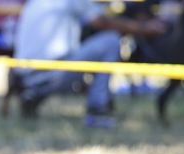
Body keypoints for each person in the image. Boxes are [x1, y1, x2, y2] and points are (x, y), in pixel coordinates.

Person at [12, 0, 166, 127]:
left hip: (23, 75)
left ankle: (34, 95)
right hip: (53, 74)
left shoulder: (35, 2)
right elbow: (101, 21)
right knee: (110, 41)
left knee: (87, 47)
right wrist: (144, 27)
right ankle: (98, 110)